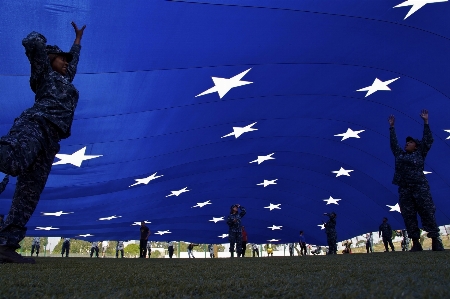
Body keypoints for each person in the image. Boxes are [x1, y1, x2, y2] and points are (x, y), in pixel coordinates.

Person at [0, 22, 86, 264]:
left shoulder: (65, 79)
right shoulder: (43, 74)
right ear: (49, 59)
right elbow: (32, 42)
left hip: (52, 140)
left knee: (29, 195)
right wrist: (42, 49)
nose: (66, 62)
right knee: (14, 161)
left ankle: (6, 246)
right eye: (61, 59)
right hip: (36, 125)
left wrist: (77, 39)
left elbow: (74, 61)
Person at [388, 111, 444, 251]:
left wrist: (426, 122)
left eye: (411, 142)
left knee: (427, 212)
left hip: (420, 188)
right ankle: (415, 242)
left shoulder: (420, 153)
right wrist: (392, 127)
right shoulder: (400, 155)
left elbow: (428, 140)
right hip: (405, 189)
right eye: (407, 142)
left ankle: (435, 240)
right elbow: (394, 145)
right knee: (408, 215)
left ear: (416, 146)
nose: (407, 143)